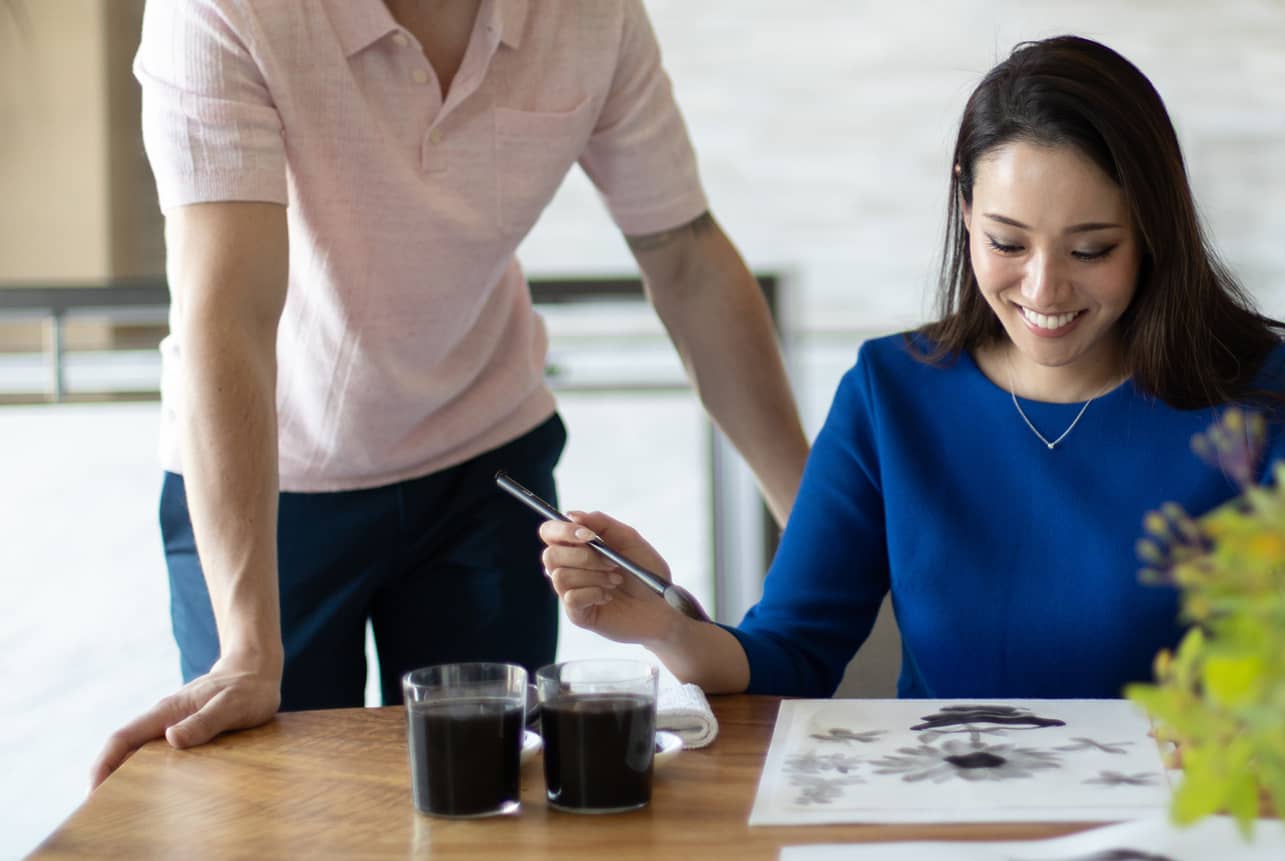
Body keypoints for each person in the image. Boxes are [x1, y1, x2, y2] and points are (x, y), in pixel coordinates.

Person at [91, 0, 809, 786]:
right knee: (273, 804)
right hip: (270, 479)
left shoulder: (592, 16)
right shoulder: (222, 9)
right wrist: (249, 647)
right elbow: (228, 311)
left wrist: (821, 531)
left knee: (489, 797)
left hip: (484, 467)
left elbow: (686, 258)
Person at [537, 35, 1285, 700]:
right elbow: (788, 653)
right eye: (1007, 242)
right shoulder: (893, 394)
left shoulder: (1254, 403)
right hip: (947, 821)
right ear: (963, 207)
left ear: (1152, 231)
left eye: (1091, 249)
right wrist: (665, 627)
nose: (1044, 289)